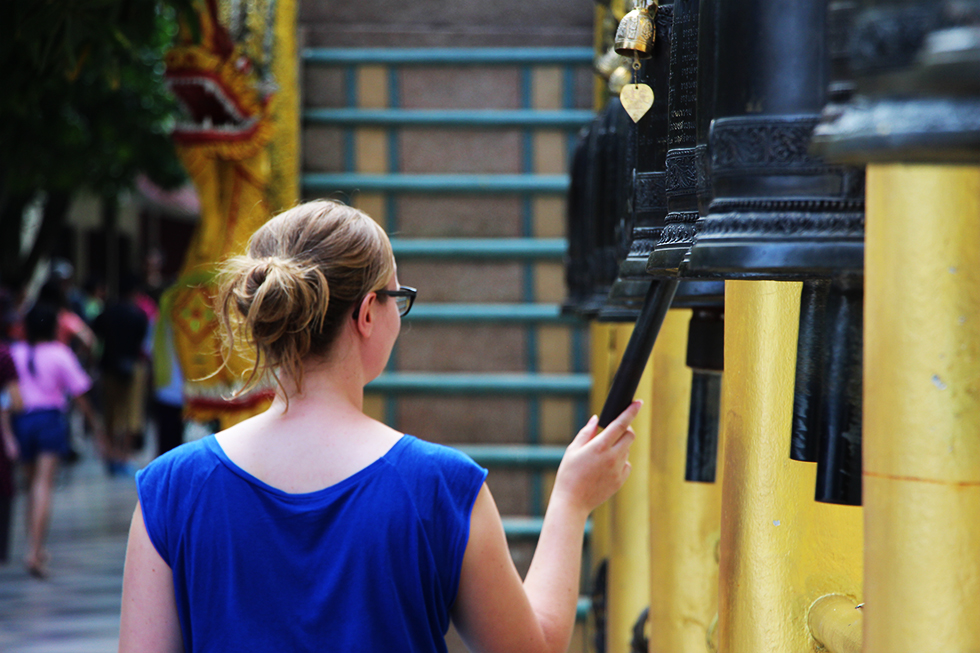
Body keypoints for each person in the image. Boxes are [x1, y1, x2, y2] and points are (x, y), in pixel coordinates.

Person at [119, 200, 640, 652]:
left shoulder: (170, 489)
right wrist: (571, 501)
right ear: (367, 312)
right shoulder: (439, 487)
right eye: (397, 296)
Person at [10, 302, 102, 577]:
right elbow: (80, 393)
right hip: (49, 421)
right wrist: (95, 427)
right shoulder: (60, 353)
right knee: (43, 485)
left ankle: (33, 546)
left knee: (30, 486)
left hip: (21, 422)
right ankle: (35, 550)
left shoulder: (16, 352)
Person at [93, 274, 150, 473]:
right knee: (132, 415)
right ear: (135, 292)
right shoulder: (139, 315)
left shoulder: (106, 313)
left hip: (108, 368)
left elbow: (97, 337)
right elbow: (143, 342)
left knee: (110, 414)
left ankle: (111, 456)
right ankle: (125, 457)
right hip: (133, 368)